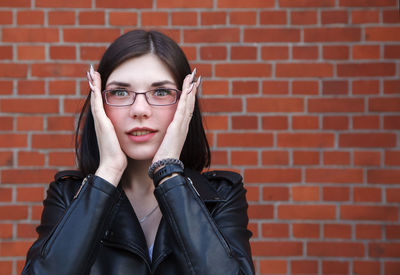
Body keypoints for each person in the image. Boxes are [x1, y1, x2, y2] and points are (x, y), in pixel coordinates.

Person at [22, 30, 254, 275]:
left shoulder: (220, 196)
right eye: (120, 92)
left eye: (161, 92)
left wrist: (168, 172)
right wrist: (108, 172)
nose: (140, 109)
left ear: (186, 103)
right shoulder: (69, 196)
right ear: (99, 104)